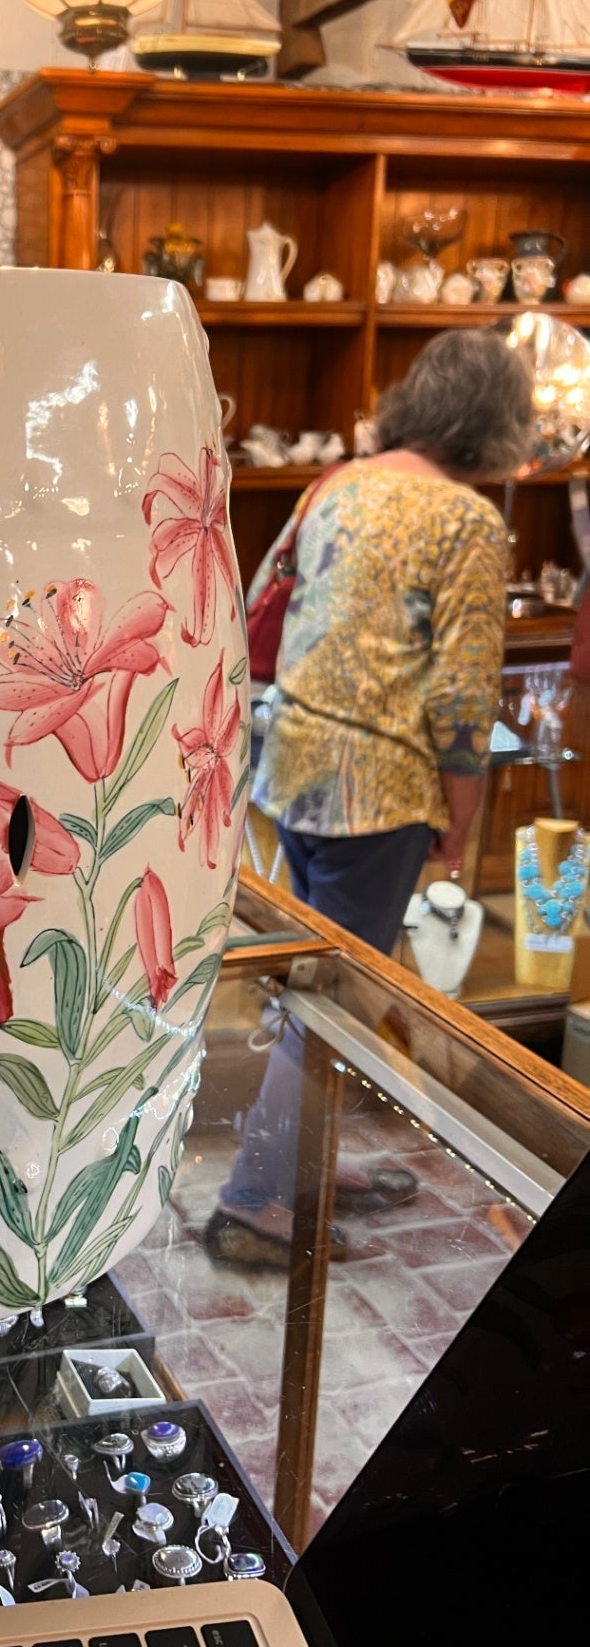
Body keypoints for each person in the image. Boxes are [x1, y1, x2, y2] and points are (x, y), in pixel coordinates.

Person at [207, 328, 534, 1267]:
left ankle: (304, 1160)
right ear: (496, 421)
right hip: (381, 791)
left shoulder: (335, 484)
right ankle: (254, 1201)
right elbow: (463, 695)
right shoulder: (467, 520)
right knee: (339, 998)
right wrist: (462, 816)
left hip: (293, 768)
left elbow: (262, 602)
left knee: (317, 981)